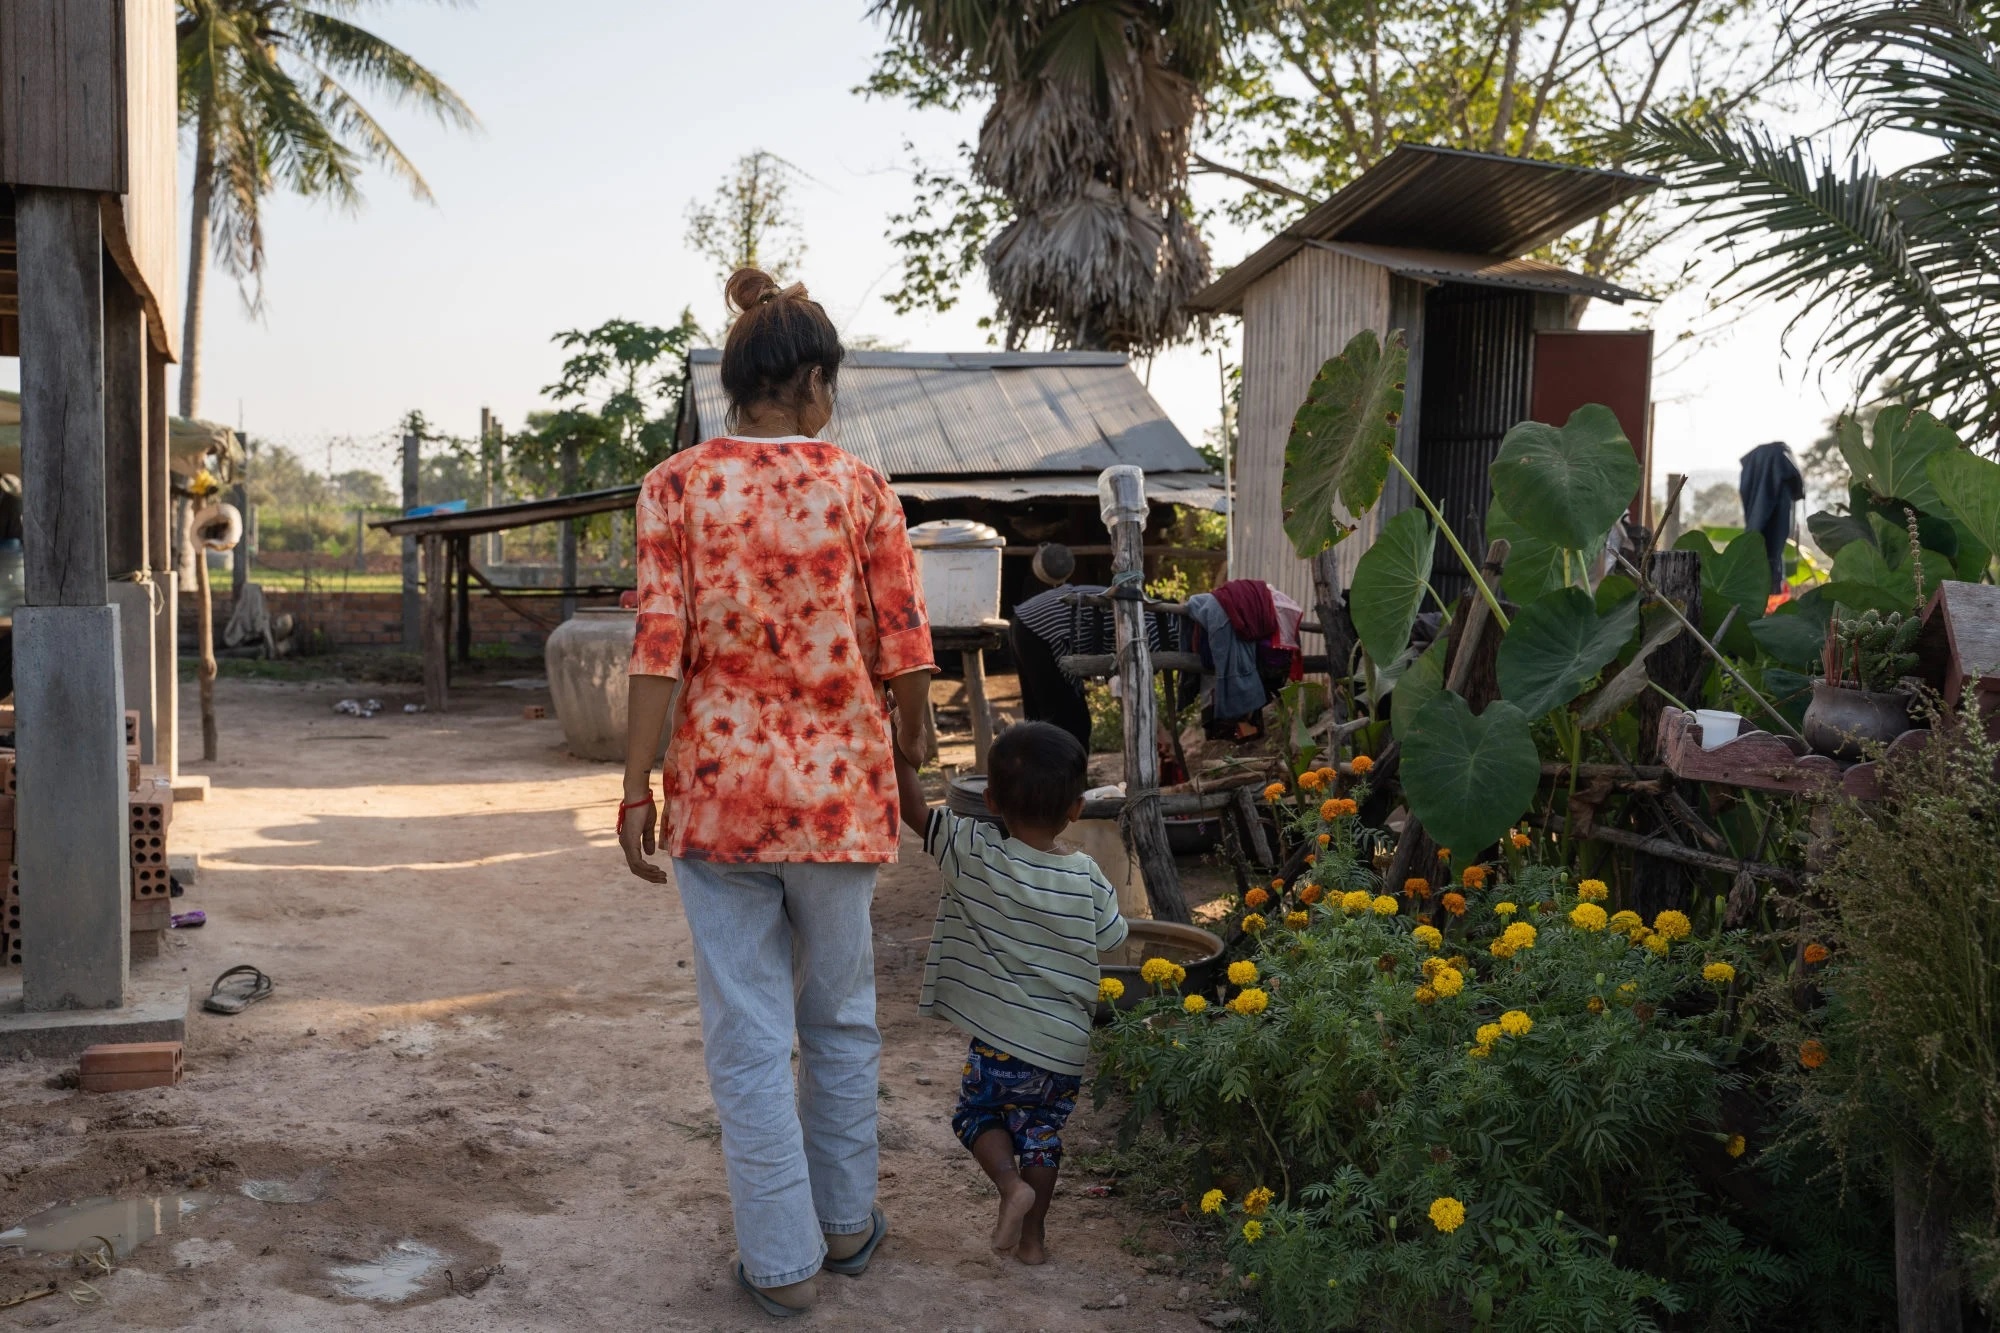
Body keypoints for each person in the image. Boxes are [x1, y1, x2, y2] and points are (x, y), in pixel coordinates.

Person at [619, 267, 935, 1319]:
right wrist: (913, 760)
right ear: (805, 380)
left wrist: (633, 789)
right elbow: (906, 649)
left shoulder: (674, 486)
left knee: (747, 1033)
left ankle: (781, 1265)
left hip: (718, 801)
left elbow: (657, 650)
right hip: (841, 800)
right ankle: (845, 1226)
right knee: (841, 1018)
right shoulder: (858, 487)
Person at [892, 720, 1127, 1265]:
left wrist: (902, 754)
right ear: (1076, 808)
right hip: (1064, 1051)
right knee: (1042, 1134)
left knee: (977, 1117)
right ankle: (1033, 1242)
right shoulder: (1087, 875)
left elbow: (914, 814)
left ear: (991, 800)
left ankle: (1008, 1186)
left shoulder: (972, 848)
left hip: (1000, 1047)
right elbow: (1114, 938)